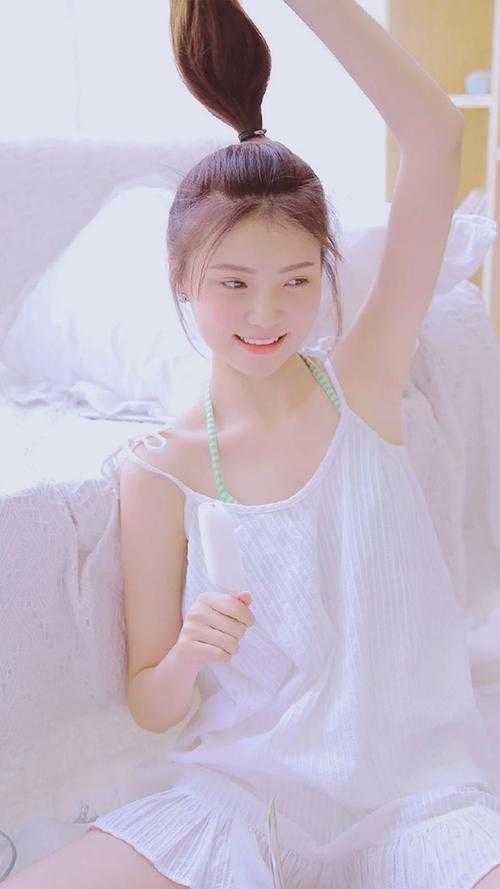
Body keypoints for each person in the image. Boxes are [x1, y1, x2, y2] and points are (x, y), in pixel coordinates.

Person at [7, 1, 500, 888]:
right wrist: (191, 651)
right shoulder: (161, 468)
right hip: (243, 802)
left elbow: (434, 137)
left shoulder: (365, 382)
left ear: (325, 275)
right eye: (233, 283)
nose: (266, 314)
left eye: (296, 281)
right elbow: (152, 701)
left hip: (416, 803)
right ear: (182, 279)